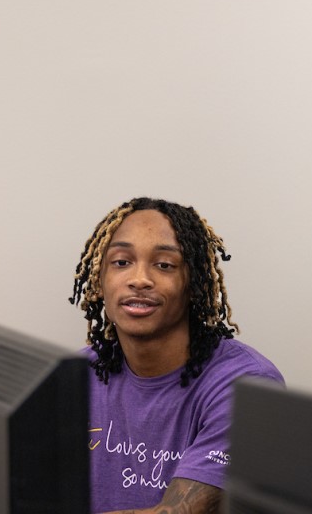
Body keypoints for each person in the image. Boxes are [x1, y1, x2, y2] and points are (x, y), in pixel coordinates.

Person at [69, 197, 285, 514]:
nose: (139, 279)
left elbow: (179, 512)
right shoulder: (77, 376)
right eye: (121, 262)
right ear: (99, 280)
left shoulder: (246, 385)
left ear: (193, 284)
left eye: (164, 265)